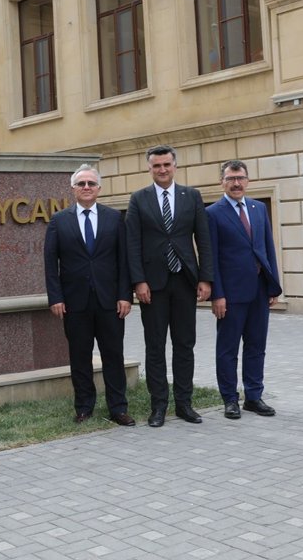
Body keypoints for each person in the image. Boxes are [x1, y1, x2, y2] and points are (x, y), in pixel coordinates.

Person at [125, 145, 213, 428]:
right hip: (153, 285)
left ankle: (184, 404)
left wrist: (205, 278)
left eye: (166, 164)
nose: (162, 170)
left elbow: (204, 239)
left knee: (185, 344)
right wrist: (138, 281)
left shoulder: (192, 196)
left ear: (175, 166)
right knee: (155, 346)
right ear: (149, 168)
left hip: (185, 280)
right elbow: (133, 243)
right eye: (156, 166)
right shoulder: (139, 199)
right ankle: (159, 406)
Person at [44, 164, 135, 426]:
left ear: (99, 189)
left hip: (110, 301)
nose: (86, 188)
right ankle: (84, 406)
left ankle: (118, 408)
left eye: (91, 184)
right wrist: (56, 297)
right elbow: (51, 263)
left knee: (113, 356)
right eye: (81, 184)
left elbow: (123, 260)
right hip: (74, 303)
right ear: (73, 189)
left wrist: (125, 295)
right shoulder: (59, 220)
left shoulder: (114, 218)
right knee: (80, 357)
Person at [207, 160, 282, 420]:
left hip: (259, 291)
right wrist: (218, 294)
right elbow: (212, 257)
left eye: (240, 178)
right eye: (230, 179)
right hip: (230, 294)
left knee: (256, 346)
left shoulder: (259, 208)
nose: (236, 183)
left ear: (247, 180)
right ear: (222, 182)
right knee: (227, 349)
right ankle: (230, 399)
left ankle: (253, 396)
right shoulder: (213, 213)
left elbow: (267, 248)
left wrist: (273, 285)